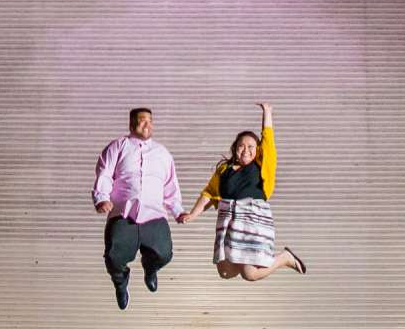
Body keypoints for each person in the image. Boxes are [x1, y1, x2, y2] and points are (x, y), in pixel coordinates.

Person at [180, 101, 307, 280]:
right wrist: (192, 214)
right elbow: (209, 193)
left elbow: (268, 142)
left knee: (250, 274)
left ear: (257, 151)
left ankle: (284, 258)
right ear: (235, 148)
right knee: (225, 271)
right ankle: (246, 258)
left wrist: (267, 113)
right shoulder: (224, 170)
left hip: (254, 220)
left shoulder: (262, 167)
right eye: (241, 146)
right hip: (229, 221)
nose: (245, 150)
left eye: (251, 146)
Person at [91, 105, 182, 310]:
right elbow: (104, 174)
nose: (147, 124)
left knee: (164, 253)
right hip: (124, 214)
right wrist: (101, 199)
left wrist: (177, 211)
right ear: (132, 123)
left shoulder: (162, 153)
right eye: (142, 120)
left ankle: (150, 269)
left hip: (154, 215)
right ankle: (121, 283)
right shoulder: (117, 146)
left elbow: (170, 184)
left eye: (150, 121)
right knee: (114, 257)